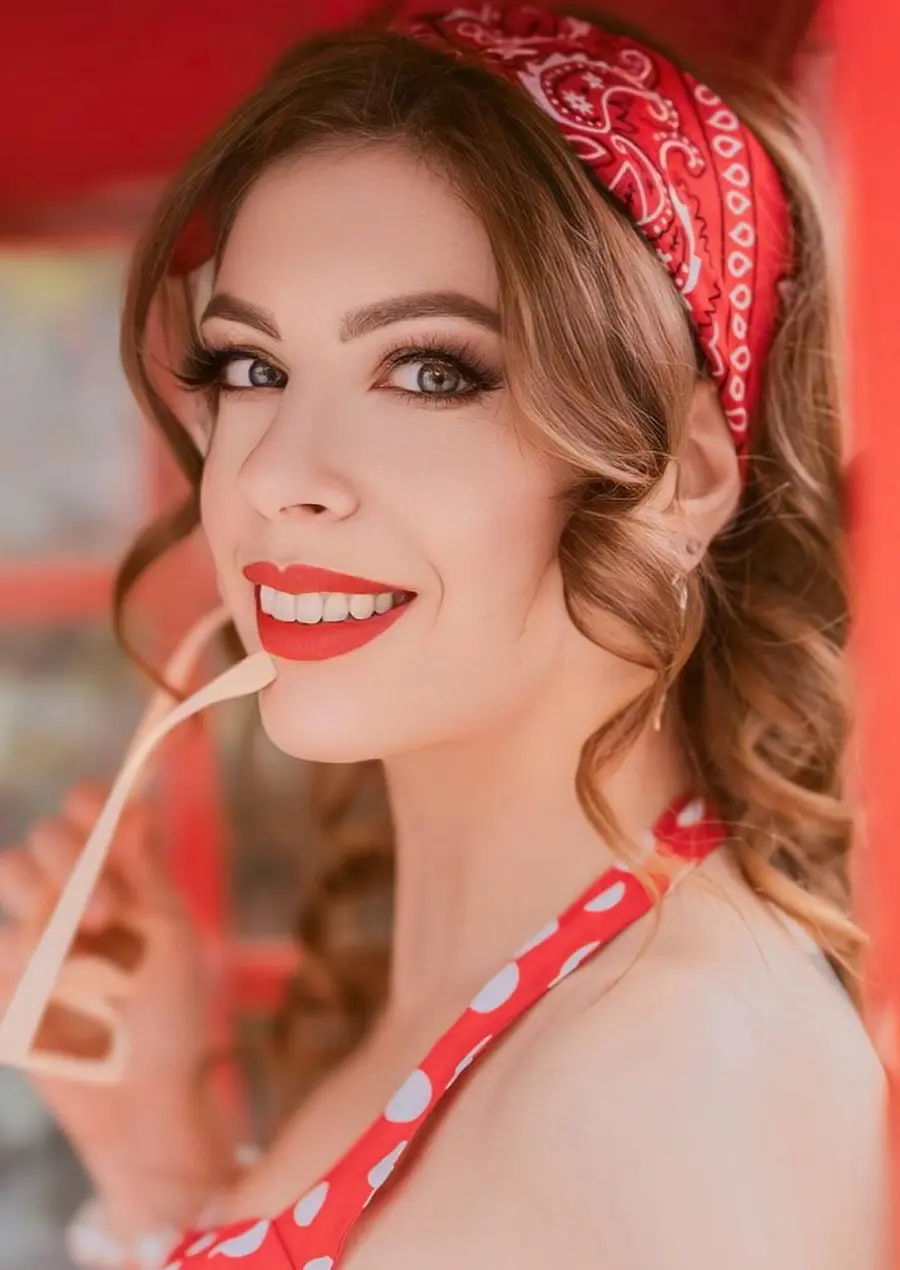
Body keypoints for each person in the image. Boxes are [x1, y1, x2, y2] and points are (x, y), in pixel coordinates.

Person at [0, 3, 886, 1267]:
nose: (276, 476)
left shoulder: (659, 1099)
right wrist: (163, 1163)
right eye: (252, 366)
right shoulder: (536, 1010)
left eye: (429, 372)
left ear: (683, 470)